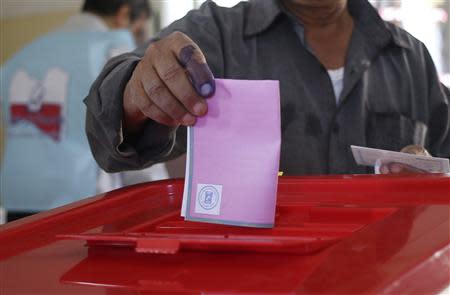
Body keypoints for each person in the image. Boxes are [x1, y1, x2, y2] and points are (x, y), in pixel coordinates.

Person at [84, 0, 450, 176]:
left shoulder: (410, 58)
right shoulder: (218, 35)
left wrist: (430, 176)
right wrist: (138, 93)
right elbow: (107, 141)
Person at [0, 0, 151, 221]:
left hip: (19, 195)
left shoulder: (24, 53)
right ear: (124, 15)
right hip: (80, 198)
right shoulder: (114, 48)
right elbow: (136, 133)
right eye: (138, 29)